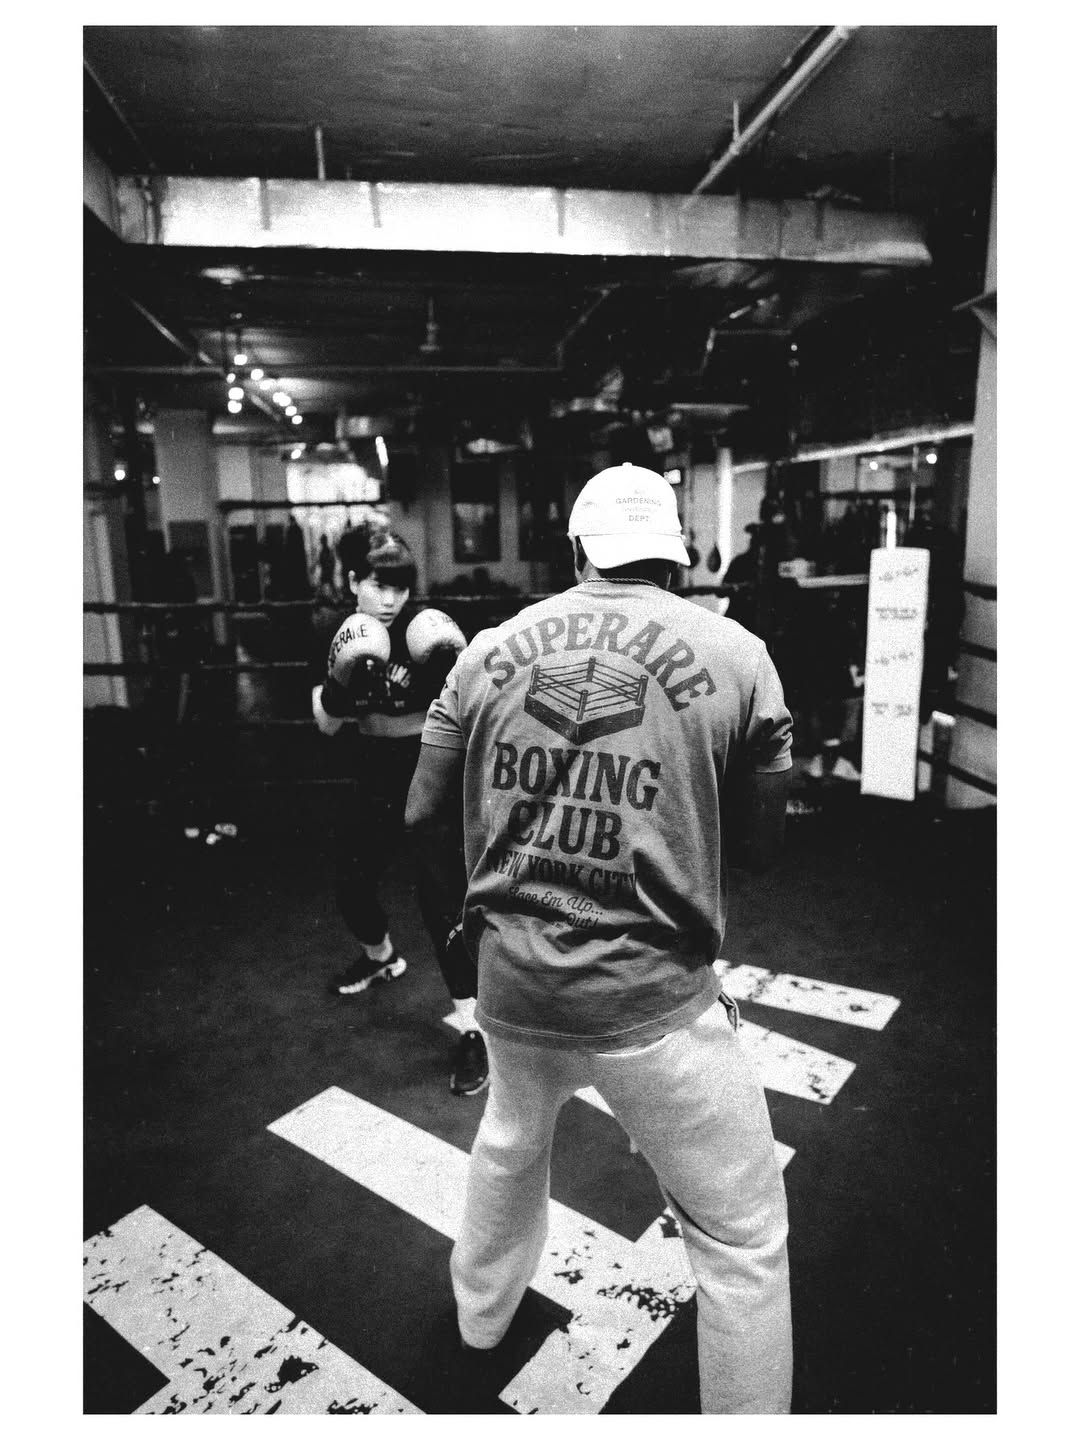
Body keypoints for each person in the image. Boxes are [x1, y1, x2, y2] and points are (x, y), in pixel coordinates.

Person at [405, 463, 795, 1413]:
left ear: (577, 549)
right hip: (651, 998)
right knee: (743, 1242)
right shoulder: (738, 653)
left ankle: (479, 1321)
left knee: (508, 1142)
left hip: (513, 983)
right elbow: (765, 844)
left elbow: (420, 813)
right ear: (676, 552)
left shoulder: (489, 648)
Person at [310, 522, 488, 1097]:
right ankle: (381, 957)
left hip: (427, 769)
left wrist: (449, 678)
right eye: (378, 586)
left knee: (440, 903)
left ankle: (473, 1030)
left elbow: (478, 711)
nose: (390, 599)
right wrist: (341, 688)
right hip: (372, 770)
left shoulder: (427, 629)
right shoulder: (339, 632)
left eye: (400, 587)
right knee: (351, 882)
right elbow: (325, 721)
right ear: (355, 582)